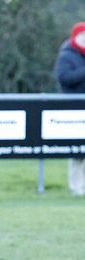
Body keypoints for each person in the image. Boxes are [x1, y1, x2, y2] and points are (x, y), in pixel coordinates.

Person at [54, 21, 85, 196]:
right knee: (77, 151)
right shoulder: (67, 55)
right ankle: (77, 187)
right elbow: (64, 78)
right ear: (76, 36)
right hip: (75, 109)